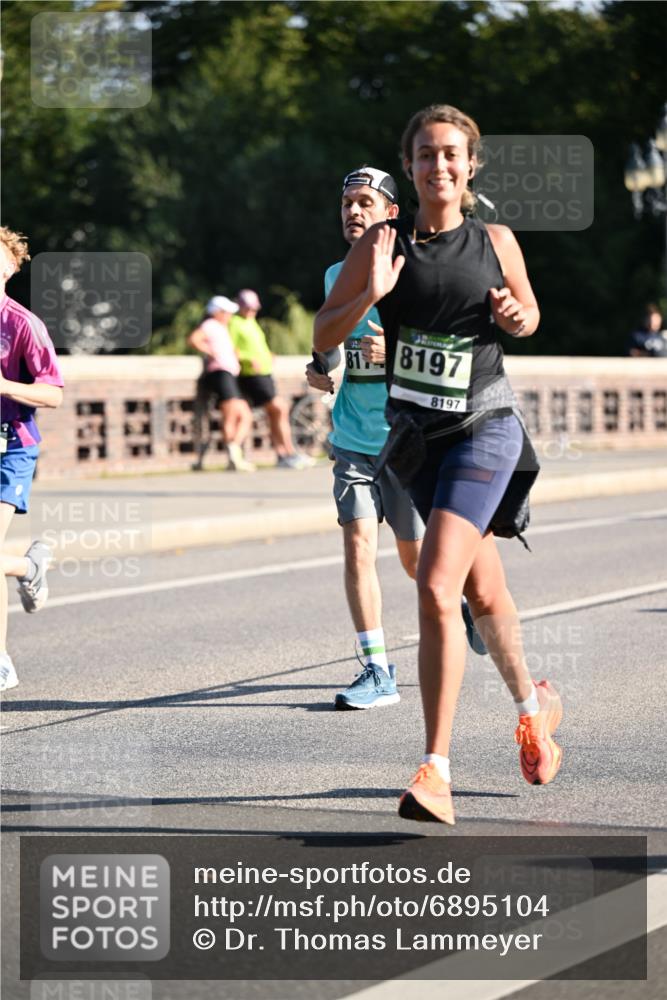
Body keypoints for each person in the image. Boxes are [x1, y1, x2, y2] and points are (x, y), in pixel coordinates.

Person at [314, 104, 563, 824]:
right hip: (418, 444)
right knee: (483, 597)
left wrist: (517, 317)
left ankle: (434, 769)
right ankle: (532, 705)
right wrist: (370, 293)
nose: (439, 166)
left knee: (433, 581)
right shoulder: (381, 245)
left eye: (451, 154)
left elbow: (529, 314)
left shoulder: (494, 239)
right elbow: (324, 331)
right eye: (425, 155)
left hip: (484, 429)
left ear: (470, 163)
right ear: (411, 166)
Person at [306, 167, 424, 710]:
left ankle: (466, 603)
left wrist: (394, 354)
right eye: (347, 203)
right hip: (353, 439)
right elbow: (331, 342)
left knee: (417, 561)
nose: (353, 211)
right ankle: (377, 669)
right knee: (357, 546)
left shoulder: (417, 270)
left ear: (391, 214)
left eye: (365, 202)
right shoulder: (335, 274)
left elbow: (447, 354)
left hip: (408, 437)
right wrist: (323, 369)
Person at [0, 226, 64, 692]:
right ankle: (29, 566)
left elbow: (52, 393)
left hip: (12, 445)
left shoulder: (23, 324)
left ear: (10, 268)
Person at [229, 289, 311, 469]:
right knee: (280, 408)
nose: (251, 312)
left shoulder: (252, 323)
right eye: (248, 308)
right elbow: (232, 349)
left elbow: (257, 346)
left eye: (253, 309)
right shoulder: (235, 323)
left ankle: (283, 454)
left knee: (275, 413)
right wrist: (247, 359)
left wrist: (267, 355)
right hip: (252, 374)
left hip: (265, 372)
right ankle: (289, 453)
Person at [189, 296, 255, 472]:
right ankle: (234, 454)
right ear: (217, 312)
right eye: (226, 312)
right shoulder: (210, 324)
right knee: (233, 414)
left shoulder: (221, 327)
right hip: (220, 373)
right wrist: (212, 353)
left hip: (227, 373)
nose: (229, 316)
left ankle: (234, 452)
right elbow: (195, 339)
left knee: (240, 414)